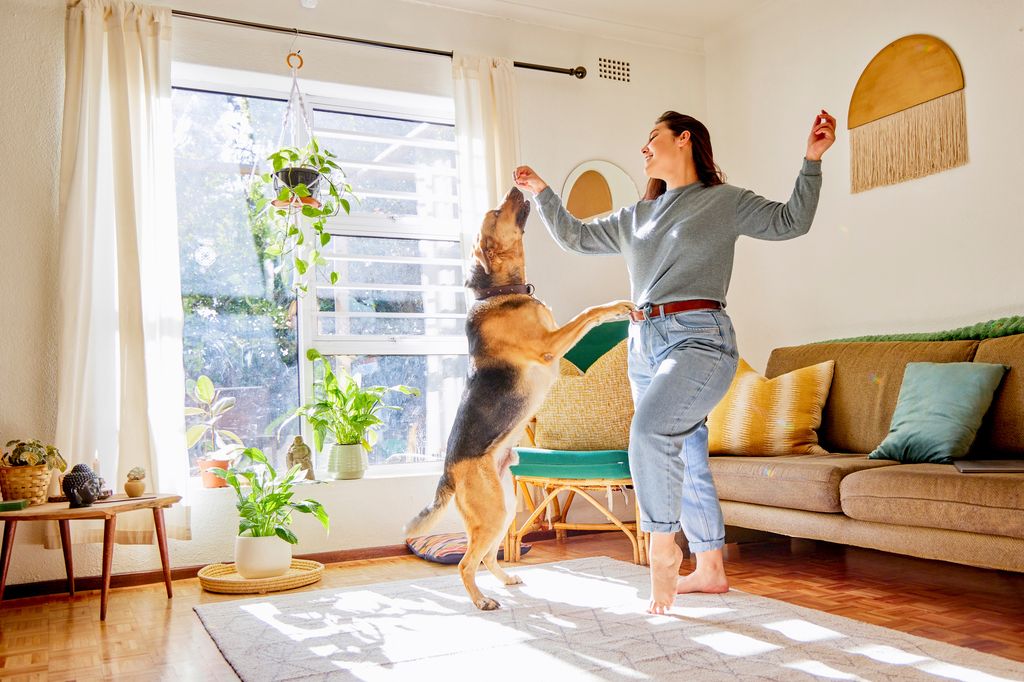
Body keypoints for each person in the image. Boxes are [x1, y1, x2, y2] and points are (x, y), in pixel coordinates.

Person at [514, 110, 837, 614]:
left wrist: (812, 160)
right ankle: (710, 568)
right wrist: (542, 192)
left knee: (648, 431)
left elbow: (790, 221)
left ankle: (663, 545)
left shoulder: (723, 202)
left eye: (652, 139)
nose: (644, 149)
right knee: (685, 454)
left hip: (699, 341)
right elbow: (576, 236)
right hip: (643, 343)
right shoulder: (636, 216)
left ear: (684, 140)